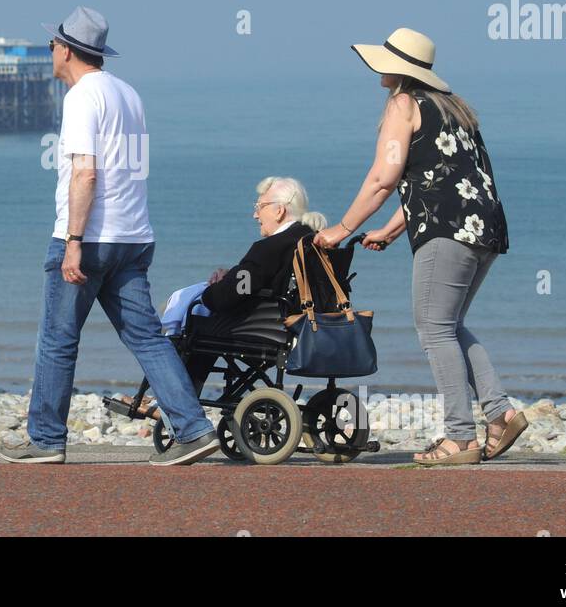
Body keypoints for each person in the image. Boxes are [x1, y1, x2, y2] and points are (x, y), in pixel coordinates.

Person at [0, 6, 220, 466]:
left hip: (89, 237)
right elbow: (133, 169)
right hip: (133, 236)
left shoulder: (81, 98)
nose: (50, 52)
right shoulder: (128, 94)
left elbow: (85, 173)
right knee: (147, 338)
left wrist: (74, 241)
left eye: (52, 45)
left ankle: (45, 440)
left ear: (66, 51)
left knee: (58, 340)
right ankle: (193, 429)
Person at [313, 27, 526, 466]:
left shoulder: (403, 104)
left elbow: (383, 178)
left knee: (433, 328)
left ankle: (460, 437)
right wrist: (391, 230)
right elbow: (439, 178)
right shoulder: (455, 108)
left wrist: (342, 227)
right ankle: (500, 413)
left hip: (447, 229)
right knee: (450, 324)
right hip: (483, 225)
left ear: (396, 69)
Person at [121, 176, 327, 415]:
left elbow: (226, 296)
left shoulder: (270, 248)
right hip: (304, 328)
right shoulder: (311, 239)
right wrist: (233, 276)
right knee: (206, 325)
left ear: (279, 210)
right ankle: (171, 401)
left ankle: (174, 405)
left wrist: (212, 290)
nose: (255, 215)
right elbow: (255, 279)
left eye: (258, 207)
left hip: (267, 331)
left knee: (196, 325)